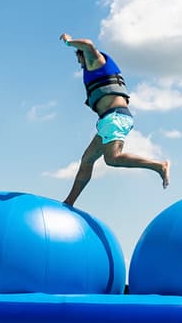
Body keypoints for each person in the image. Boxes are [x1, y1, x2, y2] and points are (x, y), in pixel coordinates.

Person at [58, 33, 169, 207]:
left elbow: (87, 44)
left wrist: (68, 42)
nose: (80, 65)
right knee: (87, 159)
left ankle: (159, 165)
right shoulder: (92, 66)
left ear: (82, 55)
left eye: (79, 60)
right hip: (107, 121)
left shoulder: (96, 61)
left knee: (112, 158)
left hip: (116, 117)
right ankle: (69, 202)